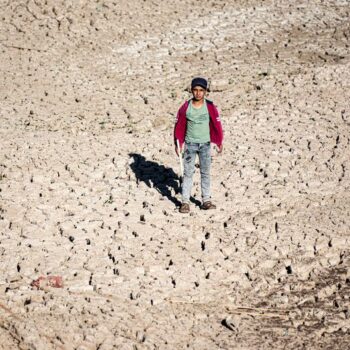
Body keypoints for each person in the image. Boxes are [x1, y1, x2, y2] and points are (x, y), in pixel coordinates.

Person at [174, 77, 223, 213]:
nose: (198, 93)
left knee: (205, 173)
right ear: (191, 90)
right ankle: (185, 202)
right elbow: (179, 126)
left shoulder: (210, 107)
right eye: (195, 90)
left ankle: (206, 200)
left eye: (201, 90)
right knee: (188, 173)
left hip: (205, 145)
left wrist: (219, 141)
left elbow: (216, 124)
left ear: (206, 91)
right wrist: (178, 143)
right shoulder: (185, 107)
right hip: (190, 145)